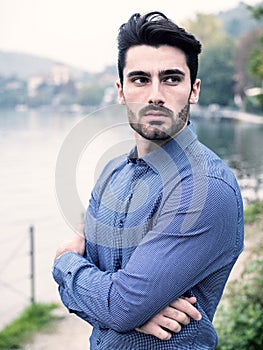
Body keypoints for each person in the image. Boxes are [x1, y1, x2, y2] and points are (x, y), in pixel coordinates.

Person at [53, 11, 244, 349]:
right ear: (121, 90)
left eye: (171, 78)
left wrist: (64, 263)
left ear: (194, 90)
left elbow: (121, 304)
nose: (156, 94)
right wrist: (125, 308)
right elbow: (119, 306)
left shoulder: (206, 187)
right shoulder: (111, 173)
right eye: (140, 79)